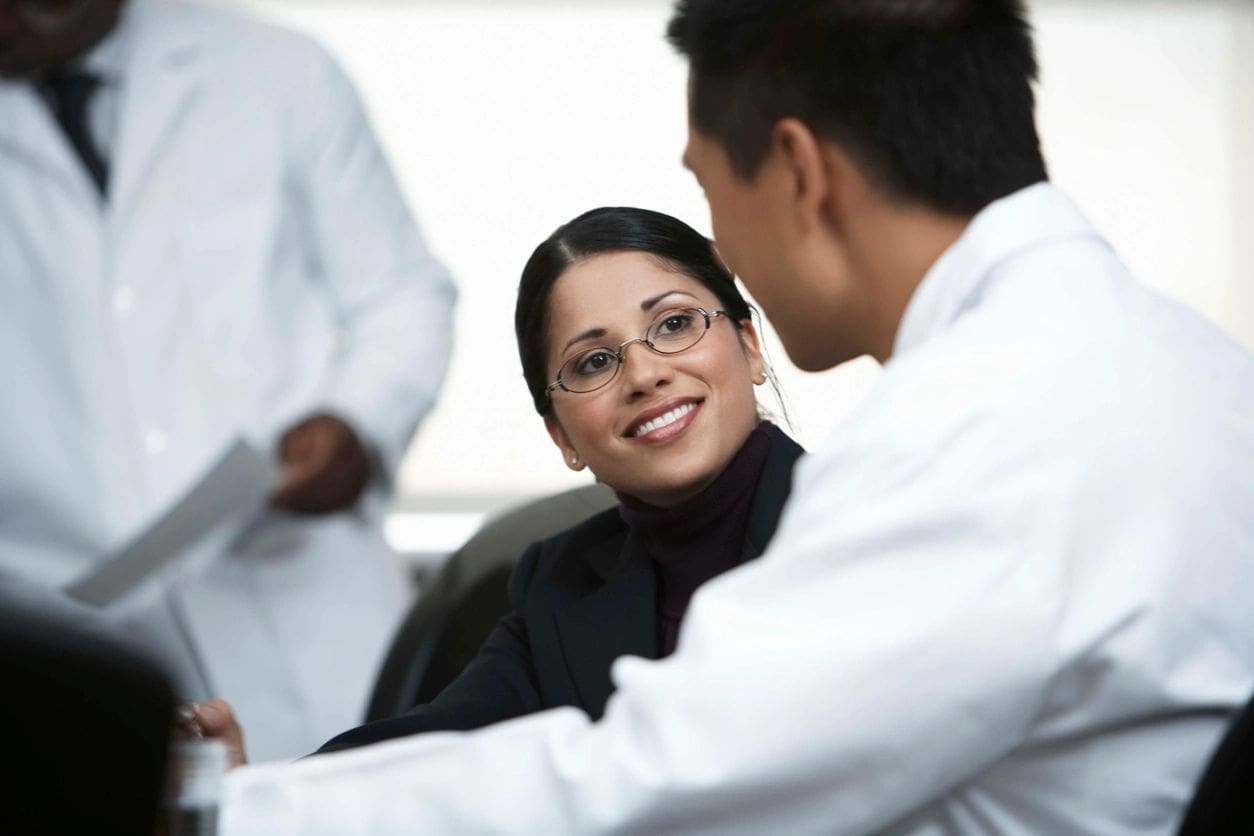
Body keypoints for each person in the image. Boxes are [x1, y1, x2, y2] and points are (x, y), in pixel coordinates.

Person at [221, 1, 1254, 832]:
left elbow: (660, 784)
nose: (728, 248)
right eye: (592, 360)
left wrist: (228, 807)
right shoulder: (1193, 365)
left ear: (799, 171)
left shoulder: (967, 430)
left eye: (711, 190)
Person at [0, 0, 456, 760]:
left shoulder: (278, 73)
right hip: (62, 637)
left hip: (299, 604)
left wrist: (356, 423)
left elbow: (403, 299)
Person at [194, 206, 805, 763]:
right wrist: (255, 791)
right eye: (593, 361)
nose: (644, 374)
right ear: (562, 437)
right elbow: (431, 748)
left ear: (750, 346)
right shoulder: (560, 583)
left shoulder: (855, 523)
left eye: (674, 324)